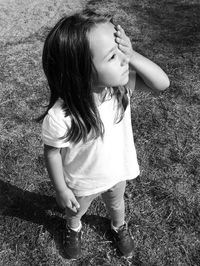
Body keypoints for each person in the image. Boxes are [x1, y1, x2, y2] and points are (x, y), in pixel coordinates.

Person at [40, 9, 170, 259]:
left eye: (122, 51)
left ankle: (118, 226)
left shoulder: (119, 88)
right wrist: (61, 189)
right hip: (82, 181)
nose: (124, 61)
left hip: (117, 171)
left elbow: (161, 83)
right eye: (114, 55)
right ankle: (73, 227)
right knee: (76, 210)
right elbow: (52, 151)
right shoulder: (61, 116)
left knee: (117, 204)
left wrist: (131, 54)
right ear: (80, 70)